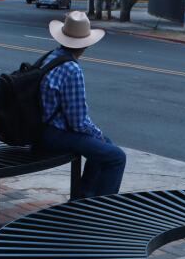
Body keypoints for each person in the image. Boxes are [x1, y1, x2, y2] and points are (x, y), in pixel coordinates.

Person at [37, 11, 126, 197]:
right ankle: (102, 211)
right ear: (85, 45)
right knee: (116, 157)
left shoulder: (52, 56)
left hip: (40, 127)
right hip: (54, 134)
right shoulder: (72, 68)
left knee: (102, 148)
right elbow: (78, 122)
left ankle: (82, 200)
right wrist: (98, 134)